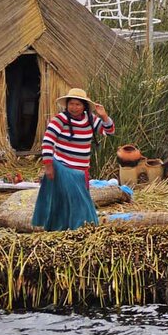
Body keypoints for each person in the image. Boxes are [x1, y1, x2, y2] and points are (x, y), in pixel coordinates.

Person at [32, 87, 114, 231]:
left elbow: (109, 131)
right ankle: (81, 229)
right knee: (80, 202)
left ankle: (65, 228)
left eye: (78, 104)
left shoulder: (90, 119)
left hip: (82, 170)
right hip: (63, 166)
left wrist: (104, 116)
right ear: (67, 104)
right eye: (71, 104)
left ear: (84, 106)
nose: (74, 108)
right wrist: (48, 166)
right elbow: (47, 142)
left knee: (68, 201)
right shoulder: (59, 119)